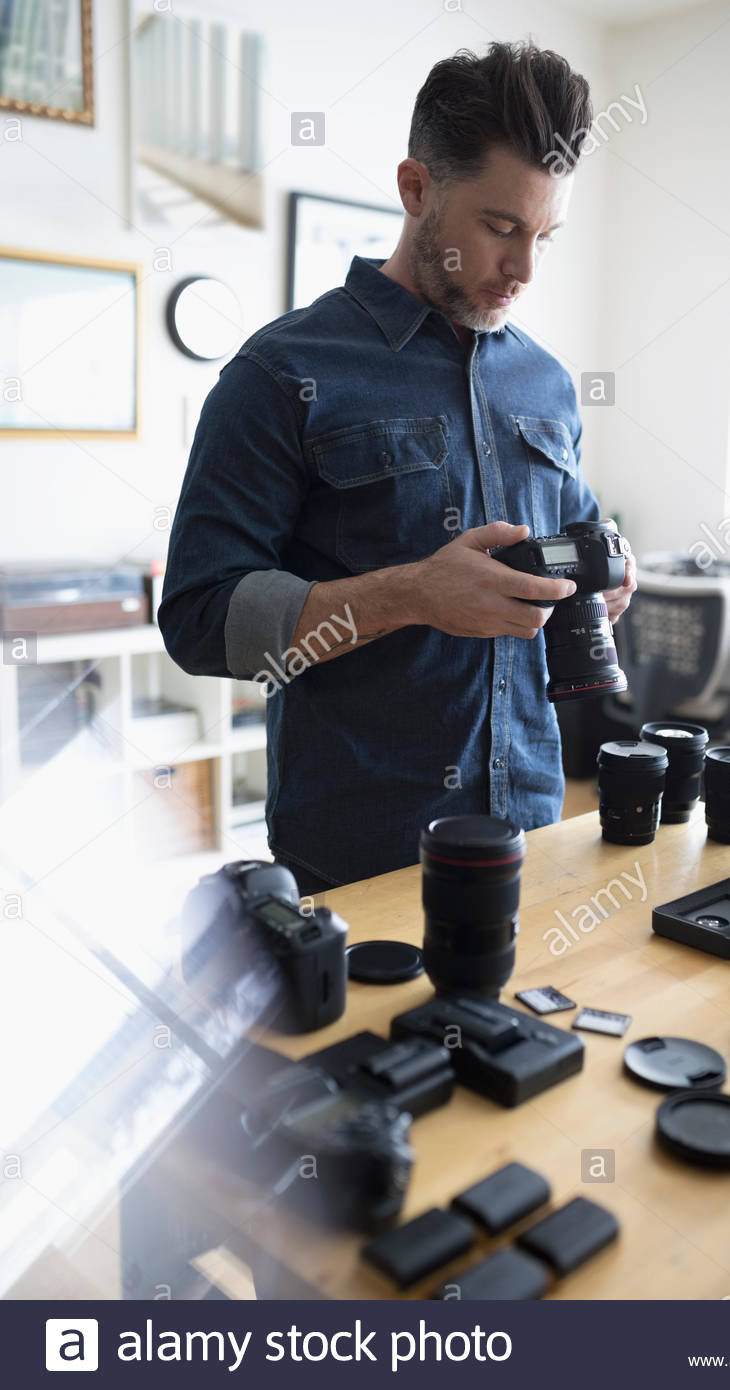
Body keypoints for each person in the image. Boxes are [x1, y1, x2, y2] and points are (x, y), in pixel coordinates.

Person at [158, 41, 637, 897]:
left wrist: (607, 571)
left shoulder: (548, 383)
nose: (524, 269)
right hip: (358, 859)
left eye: (543, 235)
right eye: (500, 228)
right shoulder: (279, 375)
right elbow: (198, 617)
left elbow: (577, 534)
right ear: (417, 190)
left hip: (531, 831)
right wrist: (412, 593)